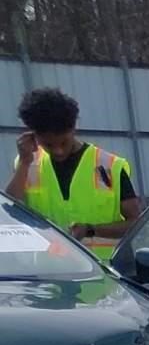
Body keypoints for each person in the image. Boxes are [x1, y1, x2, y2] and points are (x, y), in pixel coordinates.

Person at [7, 88, 141, 257]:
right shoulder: (26, 164)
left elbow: (136, 223)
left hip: (104, 275)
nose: (58, 151)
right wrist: (25, 163)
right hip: (50, 274)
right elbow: (10, 212)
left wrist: (91, 230)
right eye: (48, 145)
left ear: (74, 129)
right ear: (33, 135)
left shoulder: (109, 166)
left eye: (64, 142)